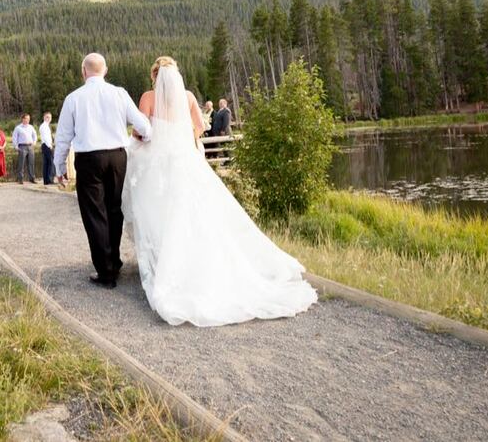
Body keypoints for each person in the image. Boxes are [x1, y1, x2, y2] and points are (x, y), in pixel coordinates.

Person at [123, 56, 316, 326]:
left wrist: (151, 138)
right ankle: (198, 266)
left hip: (158, 167)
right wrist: (181, 135)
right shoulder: (189, 97)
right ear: (176, 76)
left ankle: (170, 267)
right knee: (196, 215)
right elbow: (200, 128)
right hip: (185, 163)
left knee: (161, 215)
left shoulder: (148, 97)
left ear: (155, 75)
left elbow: (140, 131)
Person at [54, 53, 152, 288]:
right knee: (114, 209)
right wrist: (148, 137)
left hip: (89, 160)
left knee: (94, 213)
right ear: (105, 70)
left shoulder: (73, 98)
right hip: (118, 157)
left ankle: (106, 271)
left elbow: (63, 137)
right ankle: (114, 261)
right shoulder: (119, 93)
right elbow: (143, 125)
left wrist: (59, 167)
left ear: (83, 71)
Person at [12, 114, 38, 183]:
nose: (28, 120)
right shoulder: (18, 128)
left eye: (29, 119)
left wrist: (34, 142)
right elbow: (14, 137)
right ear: (23, 119)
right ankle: (20, 179)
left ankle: (32, 178)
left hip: (30, 146)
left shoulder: (31, 127)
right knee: (21, 163)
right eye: (26, 118)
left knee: (31, 163)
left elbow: (35, 135)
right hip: (22, 146)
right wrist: (16, 146)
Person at [39, 112, 56, 185]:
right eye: (47, 117)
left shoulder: (46, 126)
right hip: (47, 145)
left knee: (46, 163)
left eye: (50, 117)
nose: (49, 119)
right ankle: (49, 180)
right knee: (51, 163)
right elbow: (46, 138)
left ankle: (46, 180)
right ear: (44, 117)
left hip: (45, 145)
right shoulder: (44, 126)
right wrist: (50, 146)